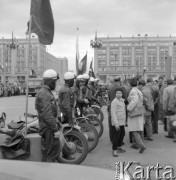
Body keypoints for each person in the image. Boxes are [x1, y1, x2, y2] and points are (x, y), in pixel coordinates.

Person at [35, 69, 60, 162]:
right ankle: (48, 174)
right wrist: (55, 129)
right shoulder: (44, 94)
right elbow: (47, 115)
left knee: (47, 153)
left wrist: (57, 122)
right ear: (50, 81)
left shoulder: (46, 92)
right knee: (51, 154)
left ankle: (45, 172)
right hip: (48, 129)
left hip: (49, 127)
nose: (55, 84)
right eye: (54, 82)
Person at [127, 78, 146, 153]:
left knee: (134, 130)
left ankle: (141, 145)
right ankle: (137, 144)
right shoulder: (138, 91)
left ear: (130, 84)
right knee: (138, 129)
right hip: (139, 110)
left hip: (134, 111)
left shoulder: (133, 91)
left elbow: (134, 101)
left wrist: (129, 108)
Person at [107, 76, 127, 143]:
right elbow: (125, 98)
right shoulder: (121, 88)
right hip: (119, 107)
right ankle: (119, 141)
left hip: (111, 106)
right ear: (120, 80)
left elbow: (109, 99)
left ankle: (112, 139)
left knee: (112, 123)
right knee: (120, 125)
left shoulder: (110, 88)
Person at [111, 89, 126, 157]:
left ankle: (118, 147)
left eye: (120, 93)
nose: (119, 94)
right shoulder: (114, 102)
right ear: (115, 94)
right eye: (117, 93)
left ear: (122, 94)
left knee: (122, 135)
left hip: (122, 122)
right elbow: (113, 113)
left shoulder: (122, 100)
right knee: (116, 137)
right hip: (117, 122)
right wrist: (116, 124)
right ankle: (114, 150)